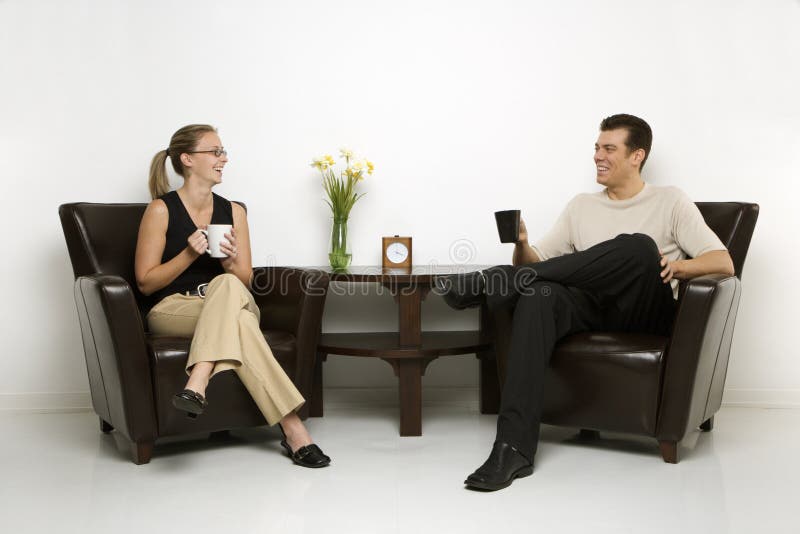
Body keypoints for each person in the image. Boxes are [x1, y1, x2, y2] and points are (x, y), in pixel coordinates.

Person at [435, 114, 734, 490]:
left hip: (644, 312)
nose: (598, 156)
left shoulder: (669, 200)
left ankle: (492, 282)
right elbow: (542, 268)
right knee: (540, 293)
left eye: (609, 148)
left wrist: (675, 266)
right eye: (596, 148)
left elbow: (722, 262)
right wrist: (523, 246)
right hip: (592, 311)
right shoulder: (581, 206)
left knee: (638, 246)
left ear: (637, 155)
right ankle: (513, 448)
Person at [134, 124, 330, 468]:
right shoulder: (161, 210)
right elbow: (146, 283)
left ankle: (197, 381)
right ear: (187, 159)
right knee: (240, 323)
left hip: (229, 299)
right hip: (175, 308)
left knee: (227, 285)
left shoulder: (234, 211)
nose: (223, 159)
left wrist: (228, 261)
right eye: (215, 151)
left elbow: (245, 280)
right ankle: (293, 429)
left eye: (223, 152)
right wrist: (189, 255)